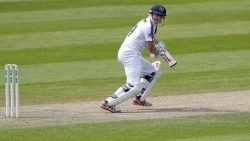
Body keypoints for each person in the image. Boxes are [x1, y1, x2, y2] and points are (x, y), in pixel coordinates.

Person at [100, 4, 168, 113]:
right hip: (129, 54)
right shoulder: (148, 26)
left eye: (161, 16)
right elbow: (151, 51)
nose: (159, 18)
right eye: (157, 15)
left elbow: (151, 39)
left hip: (132, 53)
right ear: (150, 14)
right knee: (134, 86)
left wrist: (158, 44)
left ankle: (139, 99)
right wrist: (159, 50)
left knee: (153, 72)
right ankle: (108, 102)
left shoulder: (150, 24)